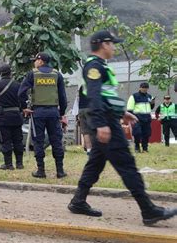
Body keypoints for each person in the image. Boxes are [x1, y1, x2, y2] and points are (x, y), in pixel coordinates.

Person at [68, 30, 176, 225]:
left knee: (95, 163)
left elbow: (106, 96)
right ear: (103, 45)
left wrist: (122, 113)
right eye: (112, 43)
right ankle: (148, 210)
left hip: (107, 119)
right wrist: (101, 124)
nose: (114, 47)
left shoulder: (100, 66)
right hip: (105, 123)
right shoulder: (94, 67)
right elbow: (93, 96)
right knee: (127, 165)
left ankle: (78, 201)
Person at [18, 52, 68, 178]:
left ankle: (41, 170)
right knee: (56, 140)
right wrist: (61, 113)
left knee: (38, 141)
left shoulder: (32, 74)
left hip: (38, 113)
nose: (34, 62)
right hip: (53, 112)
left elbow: (21, 93)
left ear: (40, 61)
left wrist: (24, 107)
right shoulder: (57, 75)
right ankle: (60, 170)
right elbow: (62, 97)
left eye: (35, 60)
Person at [0, 64, 24, 170]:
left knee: (5, 140)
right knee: (18, 140)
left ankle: (8, 164)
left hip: (3, 117)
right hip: (16, 116)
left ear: (0, 73)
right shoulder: (18, 85)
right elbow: (23, 98)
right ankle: (19, 164)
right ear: (11, 73)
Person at [127, 82, 155, 152]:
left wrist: (152, 103)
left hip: (147, 118)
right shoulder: (134, 96)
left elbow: (151, 107)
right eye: (143, 88)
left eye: (146, 88)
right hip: (137, 118)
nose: (144, 89)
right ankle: (137, 147)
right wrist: (131, 117)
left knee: (146, 134)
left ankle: (145, 148)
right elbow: (129, 108)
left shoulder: (149, 96)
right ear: (140, 88)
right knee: (137, 133)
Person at [77, 86, 92, 155]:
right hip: (90, 108)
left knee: (85, 131)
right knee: (93, 129)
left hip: (81, 109)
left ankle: (89, 149)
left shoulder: (82, 87)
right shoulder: (93, 85)